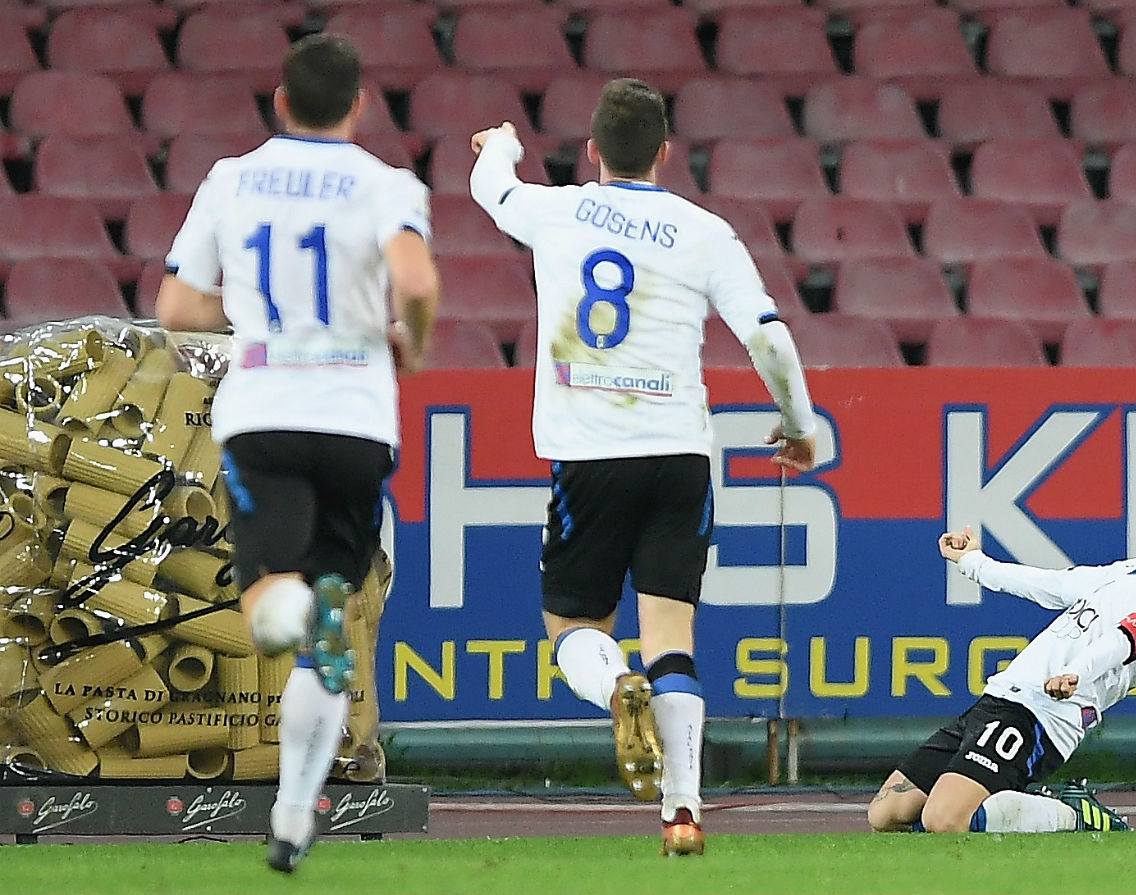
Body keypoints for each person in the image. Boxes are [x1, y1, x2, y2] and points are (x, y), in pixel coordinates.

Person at [467, 78, 819, 857]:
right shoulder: (705, 232)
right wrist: (799, 424)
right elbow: (770, 338)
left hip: (588, 458)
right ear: (665, 153)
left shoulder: (556, 211)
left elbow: (491, 190)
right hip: (679, 456)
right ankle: (683, 810)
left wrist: (502, 145)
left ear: (592, 151)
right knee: (674, 633)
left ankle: (613, 686)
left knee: (573, 628)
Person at [156, 33, 439, 874]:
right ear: (358, 106)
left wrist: (248, 319)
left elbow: (174, 304)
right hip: (357, 421)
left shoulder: (230, 179)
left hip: (266, 411)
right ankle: (290, 818)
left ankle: (296, 619)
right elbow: (417, 285)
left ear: (279, 101)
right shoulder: (388, 184)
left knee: (269, 606)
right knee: (331, 602)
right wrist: (407, 343)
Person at [868, 514, 1136, 835]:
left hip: (1039, 715)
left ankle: (1072, 814)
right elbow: (1054, 586)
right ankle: (1007, 804)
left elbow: (1127, 639)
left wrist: (1075, 672)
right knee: (885, 813)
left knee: (944, 820)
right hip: (1003, 698)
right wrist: (973, 563)